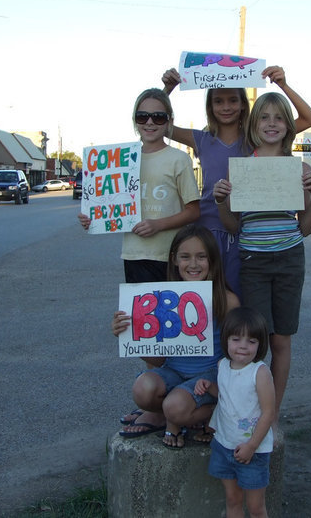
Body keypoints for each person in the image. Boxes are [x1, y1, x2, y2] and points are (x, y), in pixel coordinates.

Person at [79, 88, 201, 431]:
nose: (150, 122)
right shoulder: (120, 159)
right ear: (134, 121)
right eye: (143, 116)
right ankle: (158, 404)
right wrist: (91, 218)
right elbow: (102, 208)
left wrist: (158, 224)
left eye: (158, 117)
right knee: (145, 332)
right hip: (133, 254)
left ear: (169, 121)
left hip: (168, 257)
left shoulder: (178, 159)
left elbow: (194, 208)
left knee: (172, 330)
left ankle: (177, 400)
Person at [161, 66, 311, 298]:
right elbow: (159, 125)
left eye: (233, 100)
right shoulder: (201, 139)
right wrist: (168, 88)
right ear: (210, 106)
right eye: (219, 101)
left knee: (239, 299)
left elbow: (310, 119)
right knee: (207, 298)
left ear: (244, 104)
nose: (226, 107)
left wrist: (283, 84)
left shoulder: (256, 137)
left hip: (243, 232)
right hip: (208, 230)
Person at [212, 91, 311, 424]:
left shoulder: (300, 169)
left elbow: (305, 228)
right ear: (253, 125)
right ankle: (252, 405)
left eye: (278, 118)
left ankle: (271, 411)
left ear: (288, 126)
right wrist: (221, 203)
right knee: (256, 338)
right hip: (254, 262)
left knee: (282, 337)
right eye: (263, 117)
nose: (271, 124)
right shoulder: (243, 170)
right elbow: (233, 226)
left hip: (289, 258)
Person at [112, 224, 240, 448]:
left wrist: (221, 386)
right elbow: (159, 362)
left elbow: (238, 354)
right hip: (173, 372)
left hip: (207, 378)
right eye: (185, 257)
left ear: (212, 260)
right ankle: (170, 415)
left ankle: (217, 412)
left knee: (175, 407)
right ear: (174, 260)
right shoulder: (163, 300)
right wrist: (130, 335)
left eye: (201, 257)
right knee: (142, 390)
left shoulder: (226, 300)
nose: (193, 264)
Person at [194, 307, 274, 518]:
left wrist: (252, 446)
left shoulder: (260, 372)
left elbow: (268, 412)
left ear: (260, 344)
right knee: (233, 499)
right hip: (223, 445)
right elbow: (227, 394)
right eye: (236, 339)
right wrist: (208, 386)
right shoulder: (223, 365)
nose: (243, 347)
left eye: (251, 341)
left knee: (256, 507)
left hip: (252, 450)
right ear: (226, 340)